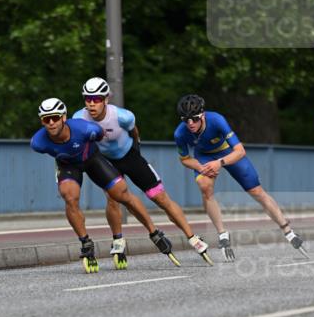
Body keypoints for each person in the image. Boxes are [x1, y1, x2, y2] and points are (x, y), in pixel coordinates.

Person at [72, 77, 212, 268]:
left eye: (96, 99)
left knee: (160, 198)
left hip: (130, 157)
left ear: (105, 99)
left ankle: (193, 237)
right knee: (113, 199)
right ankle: (118, 241)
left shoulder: (122, 116)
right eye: (87, 98)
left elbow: (134, 131)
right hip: (106, 162)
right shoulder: (79, 118)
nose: (91, 103)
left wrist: (137, 149)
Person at [30, 97, 179, 273]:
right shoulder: (38, 143)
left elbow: (102, 137)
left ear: (64, 118)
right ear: (42, 121)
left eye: (55, 117)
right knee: (69, 197)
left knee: (121, 194)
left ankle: (154, 232)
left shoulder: (84, 128)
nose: (51, 123)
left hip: (92, 159)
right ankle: (86, 243)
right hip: (68, 165)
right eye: (46, 119)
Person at [174, 94, 307, 260]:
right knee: (205, 188)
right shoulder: (180, 133)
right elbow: (185, 159)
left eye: (194, 119)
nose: (190, 124)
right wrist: (202, 167)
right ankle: (222, 235)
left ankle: (288, 230)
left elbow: (240, 151)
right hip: (204, 157)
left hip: (228, 153)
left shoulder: (216, 120)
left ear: (203, 114)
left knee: (256, 191)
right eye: (185, 120)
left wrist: (219, 163)